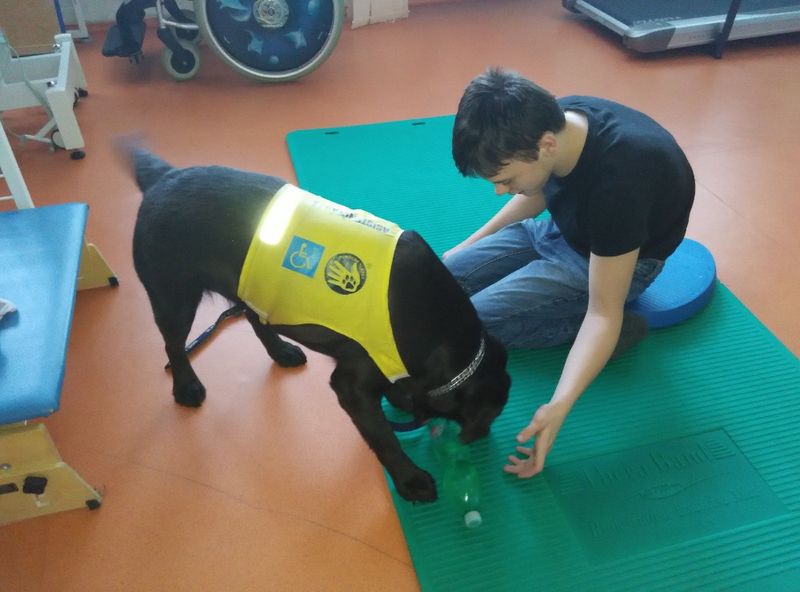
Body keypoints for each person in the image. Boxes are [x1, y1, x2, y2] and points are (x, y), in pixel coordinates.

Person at [443, 67, 695, 478]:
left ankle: (599, 334)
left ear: (545, 146)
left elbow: (603, 312)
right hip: (563, 227)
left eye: (505, 179)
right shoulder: (557, 121)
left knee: (469, 328)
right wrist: (463, 250)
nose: (499, 191)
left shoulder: (620, 183)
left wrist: (557, 407)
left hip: (614, 262)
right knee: (442, 282)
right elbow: (539, 189)